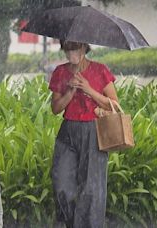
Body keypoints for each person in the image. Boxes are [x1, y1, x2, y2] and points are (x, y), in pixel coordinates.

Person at [49, 40, 118, 228]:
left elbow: (114, 104)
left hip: (94, 130)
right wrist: (71, 91)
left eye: (75, 48)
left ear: (84, 48)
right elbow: (55, 108)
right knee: (61, 181)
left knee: (91, 188)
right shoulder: (60, 72)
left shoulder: (100, 70)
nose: (71, 52)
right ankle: (71, 223)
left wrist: (88, 89)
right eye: (67, 48)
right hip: (68, 130)